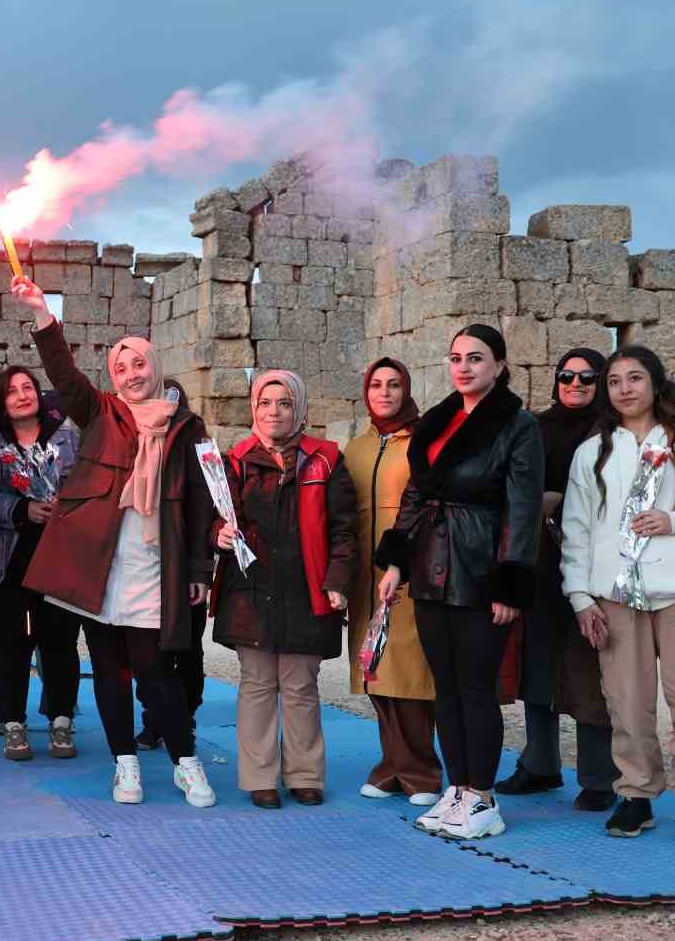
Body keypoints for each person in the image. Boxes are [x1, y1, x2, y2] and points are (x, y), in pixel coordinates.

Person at [10, 276, 217, 808]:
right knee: (106, 669)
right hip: (99, 567)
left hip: (154, 568)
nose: (131, 375)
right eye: (121, 368)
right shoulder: (100, 413)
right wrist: (40, 312)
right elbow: (63, 373)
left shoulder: (186, 428)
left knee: (155, 671)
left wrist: (198, 572)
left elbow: (199, 505)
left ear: (156, 368)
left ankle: (184, 761)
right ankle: (125, 763)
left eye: (139, 365)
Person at [560, 345, 675, 845]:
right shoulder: (592, 452)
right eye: (616, 380)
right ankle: (637, 794)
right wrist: (580, 597)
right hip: (616, 596)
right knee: (626, 699)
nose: (625, 388)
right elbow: (577, 530)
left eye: (635, 378)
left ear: (655, 384)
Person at [376, 323, 544, 841]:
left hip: (480, 568)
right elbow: (414, 496)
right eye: (455, 357)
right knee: (444, 687)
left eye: (475, 358)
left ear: (497, 365)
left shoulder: (518, 426)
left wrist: (509, 585)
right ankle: (457, 788)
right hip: (430, 565)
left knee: (475, 688)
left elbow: (523, 508)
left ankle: (483, 797)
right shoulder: (438, 421)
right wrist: (397, 563)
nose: (463, 367)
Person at [211, 370, 357, 808]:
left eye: (284, 403)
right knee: (256, 682)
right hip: (250, 589)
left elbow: (346, 527)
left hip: (305, 586)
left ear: (299, 409)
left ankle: (305, 774)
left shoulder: (326, 459)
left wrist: (337, 579)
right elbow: (216, 518)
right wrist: (216, 534)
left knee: (300, 685)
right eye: (265, 403)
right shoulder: (233, 461)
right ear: (254, 410)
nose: (274, 412)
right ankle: (258, 776)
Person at [495, 347, 619, 812]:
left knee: (588, 668)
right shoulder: (535, 427)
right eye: (567, 376)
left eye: (588, 378)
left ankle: (598, 776)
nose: (576, 385)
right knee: (537, 664)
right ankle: (540, 762)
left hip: (593, 566)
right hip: (540, 564)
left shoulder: (614, 434)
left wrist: (560, 501)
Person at [343, 358, 442, 807]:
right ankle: (391, 766)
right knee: (374, 669)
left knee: (412, 676)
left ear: (407, 389)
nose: (384, 392)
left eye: (394, 384)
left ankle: (420, 771)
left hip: (410, 570)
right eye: (377, 385)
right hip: (366, 574)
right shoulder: (356, 448)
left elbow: (428, 505)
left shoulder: (423, 440)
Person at [0, 365, 80, 760]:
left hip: (60, 556)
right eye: (12, 391)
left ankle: (61, 721)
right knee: (12, 644)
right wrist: (21, 509)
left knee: (61, 643)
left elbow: (86, 486)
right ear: (1, 402)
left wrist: (64, 506)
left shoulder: (68, 438)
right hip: (8, 561)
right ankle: (13, 722)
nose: (22, 395)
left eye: (28, 387)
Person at [136, 380, 207, 752]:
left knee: (187, 650)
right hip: (147, 563)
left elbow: (203, 508)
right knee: (149, 649)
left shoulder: (195, 437)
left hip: (181, 562)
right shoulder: (136, 438)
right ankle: (155, 718)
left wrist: (199, 570)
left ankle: (185, 719)